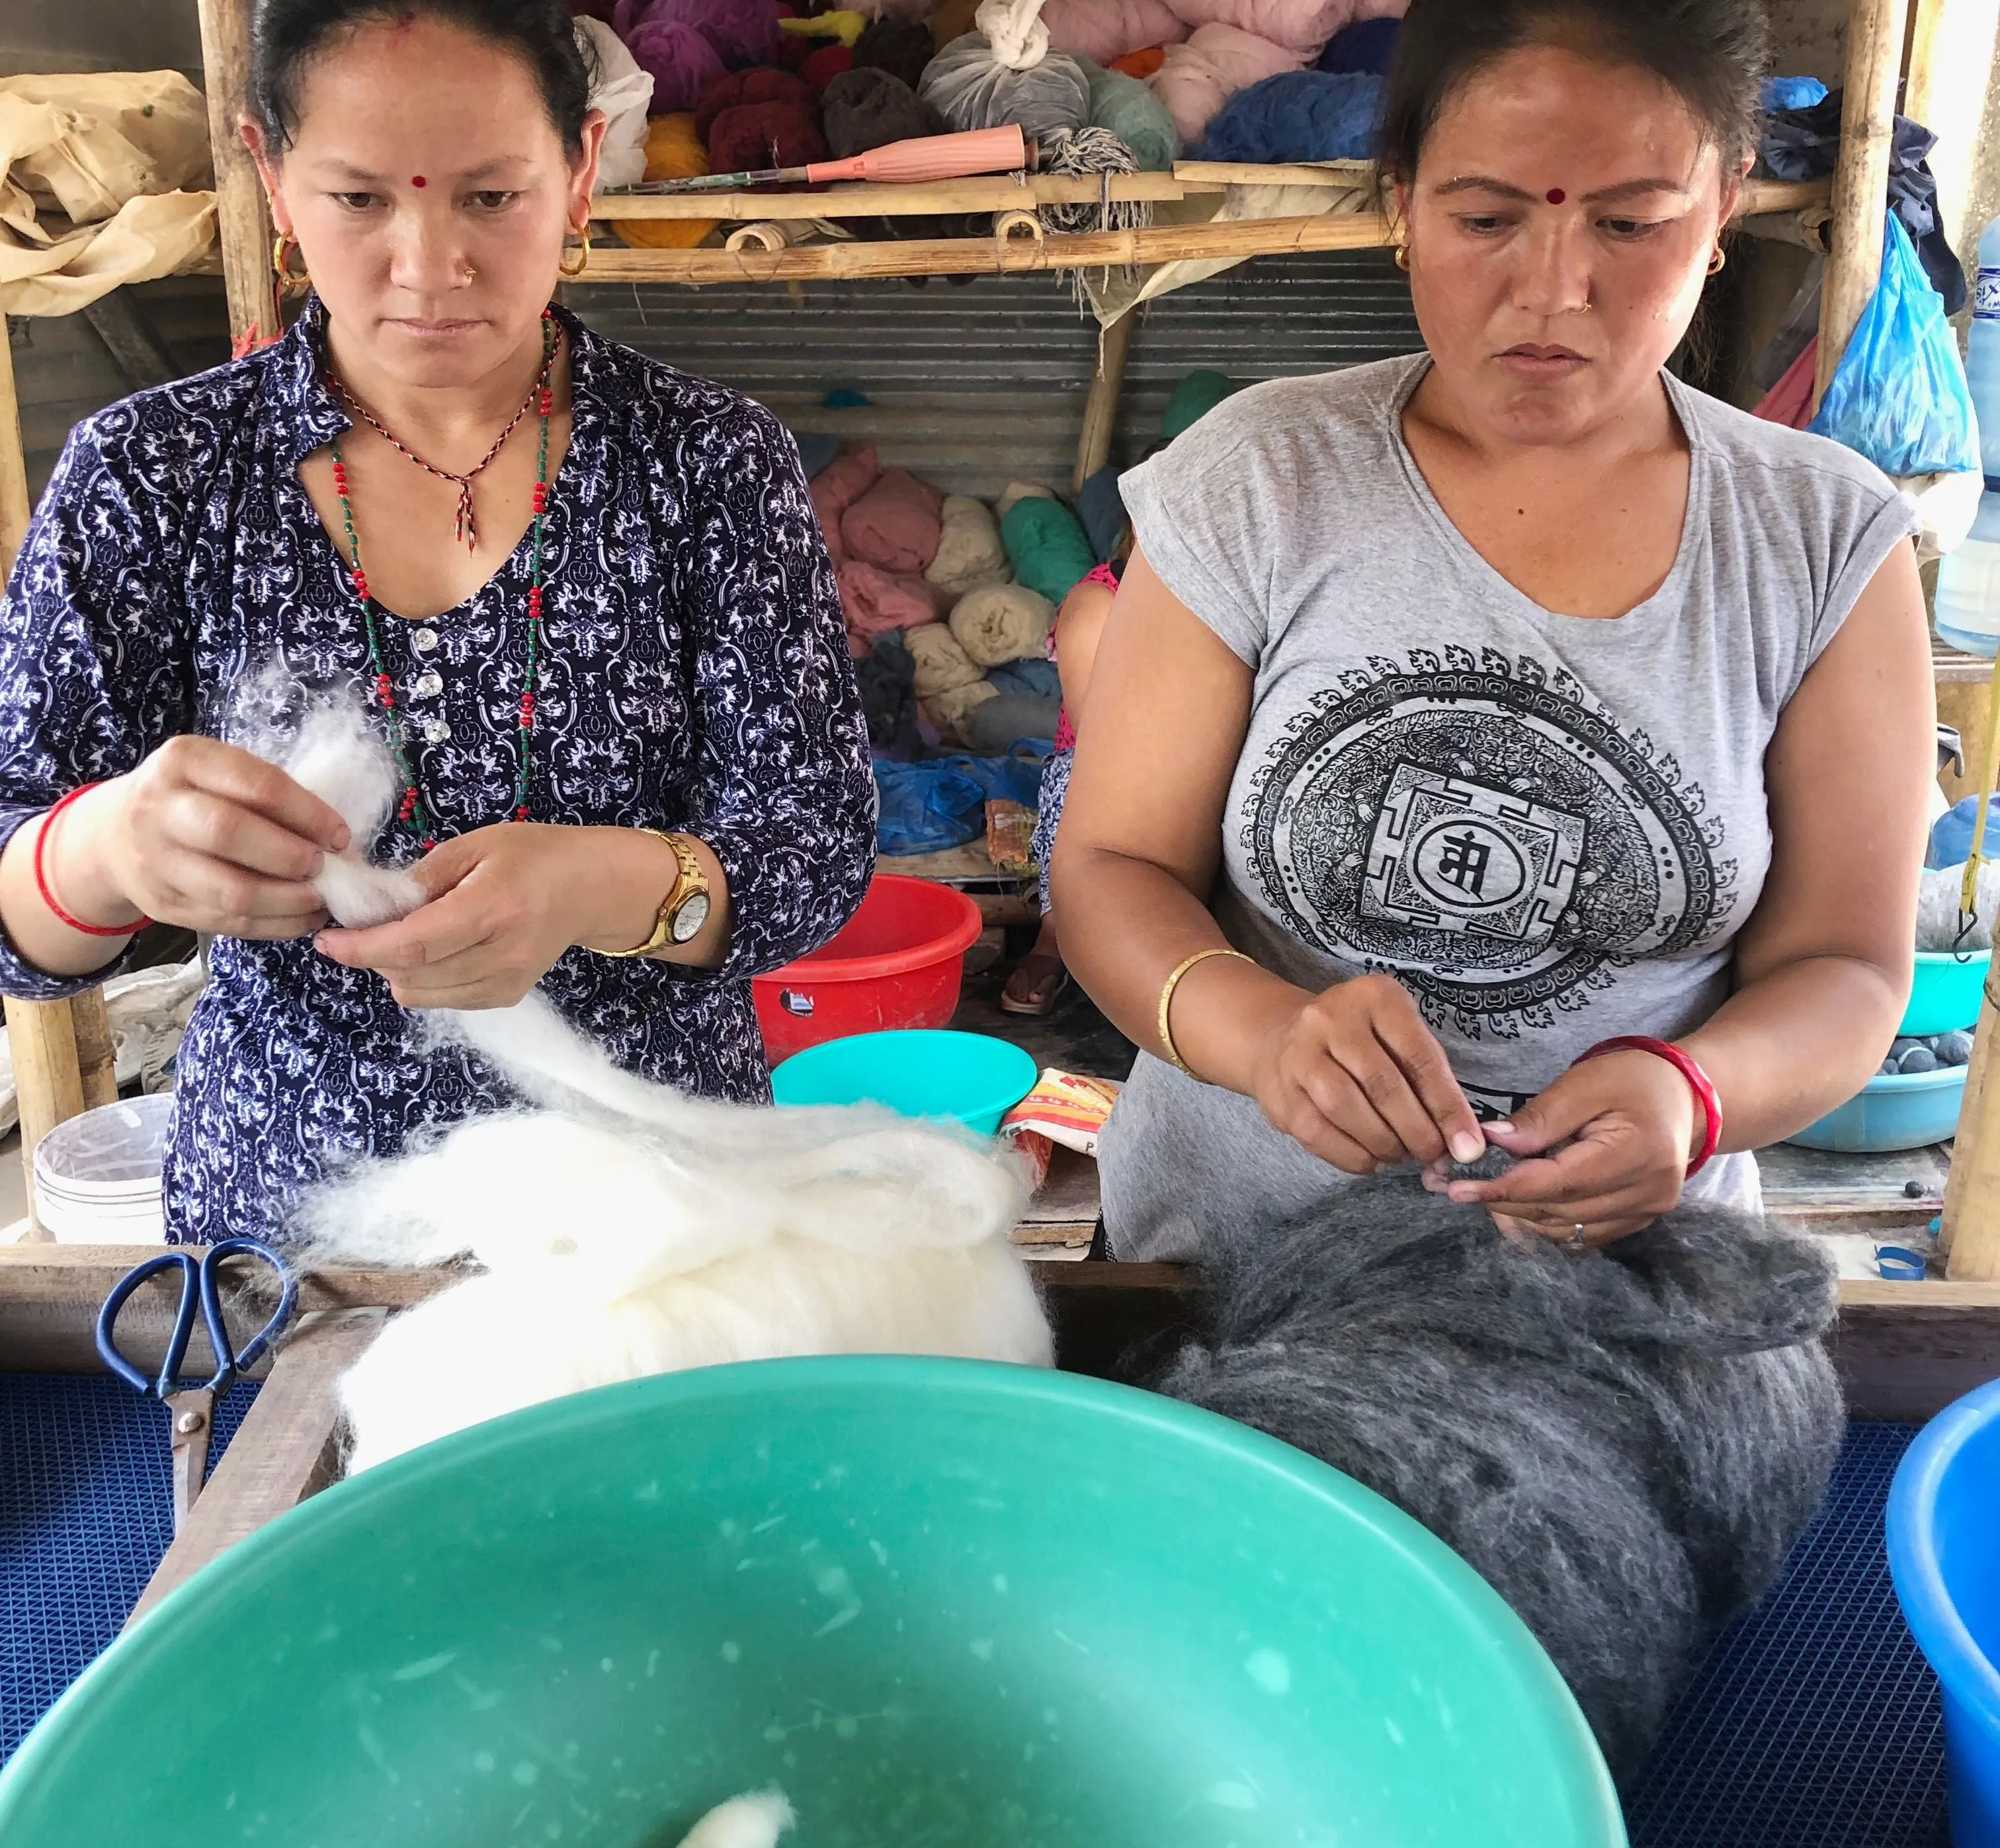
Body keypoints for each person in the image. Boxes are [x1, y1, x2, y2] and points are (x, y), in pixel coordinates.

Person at [1053, 0, 1935, 1263]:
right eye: (1483, 218)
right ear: (1398, 201)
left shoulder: (1817, 537)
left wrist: (1692, 1097)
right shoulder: (1253, 480)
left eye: (1630, 222)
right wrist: (1261, 1035)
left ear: (1727, 202)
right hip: (1228, 1273)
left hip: (1625, 1293)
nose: (1552, 289)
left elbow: (1844, 962)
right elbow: (1109, 867)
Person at [0, 0, 872, 1243]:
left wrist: (598, 885)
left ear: (578, 170)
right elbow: (15, 906)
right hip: (294, 1241)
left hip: (655, 1234)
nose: (427, 266)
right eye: (360, 199)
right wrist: (106, 849)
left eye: (489, 197)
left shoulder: (709, 464)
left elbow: (814, 849)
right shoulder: (152, 475)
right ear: (272, 177)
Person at [1001, 552, 1123, 1017]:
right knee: (1078, 787)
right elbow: (1099, 736)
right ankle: (1055, 933)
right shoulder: (1098, 602)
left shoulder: (1217, 592)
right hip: (1102, 759)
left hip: (1198, 748)